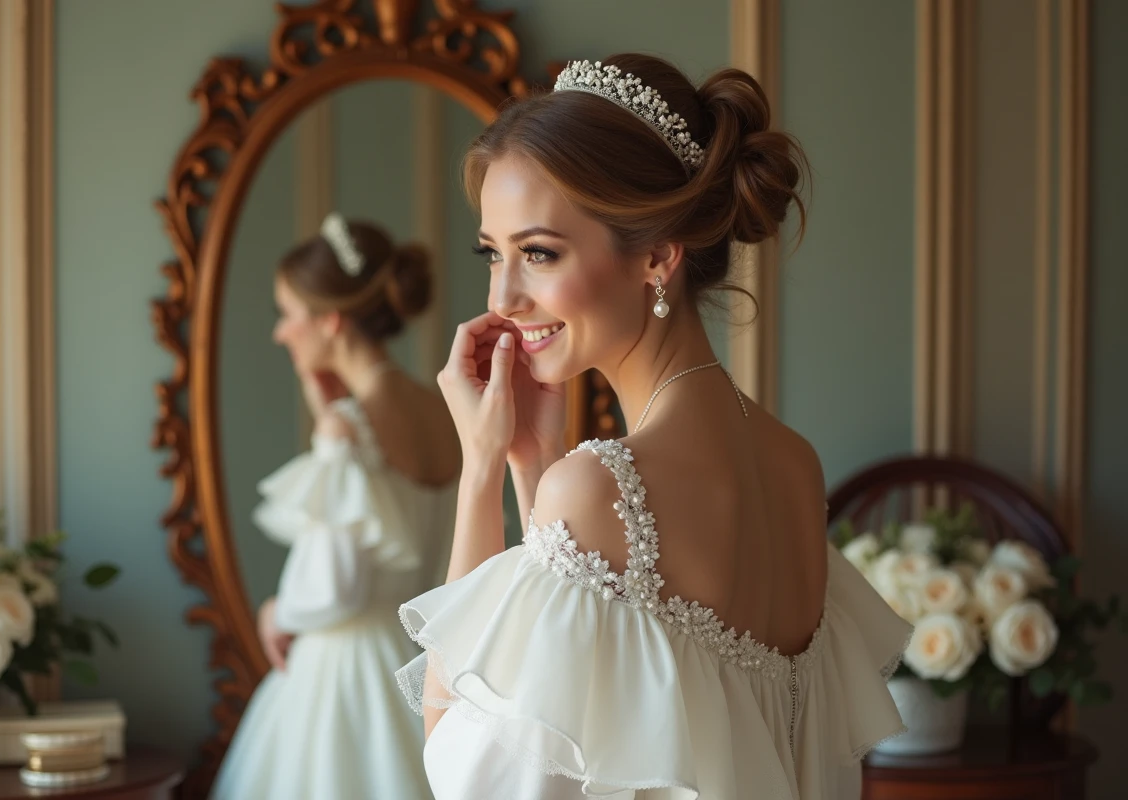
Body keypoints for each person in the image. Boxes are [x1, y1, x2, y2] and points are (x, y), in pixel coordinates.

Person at [395, 55, 911, 799]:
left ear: (658, 257)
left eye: (539, 254)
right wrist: (530, 461)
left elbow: (461, 770)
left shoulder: (601, 489)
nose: (503, 297)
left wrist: (480, 471)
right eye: (493, 254)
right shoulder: (795, 465)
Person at [212, 214, 459, 800]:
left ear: (329, 320)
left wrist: (278, 611)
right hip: (414, 664)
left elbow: (337, 586)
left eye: (288, 315)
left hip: (343, 674)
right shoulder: (439, 411)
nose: (280, 333)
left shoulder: (347, 426)